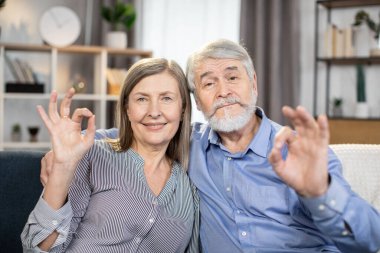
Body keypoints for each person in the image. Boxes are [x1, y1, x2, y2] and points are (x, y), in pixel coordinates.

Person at [40, 40, 380, 253]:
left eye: (233, 77)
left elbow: (371, 241)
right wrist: (66, 154)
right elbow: (137, 128)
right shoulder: (188, 144)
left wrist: (321, 193)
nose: (223, 91)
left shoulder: (299, 152)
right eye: (208, 82)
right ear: (195, 102)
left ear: (253, 84)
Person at [21, 58, 199, 252]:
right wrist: (63, 168)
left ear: (182, 109)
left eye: (166, 98)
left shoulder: (189, 187)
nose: (154, 112)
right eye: (142, 99)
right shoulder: (93, 156)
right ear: (127, 109)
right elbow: (38, 250)